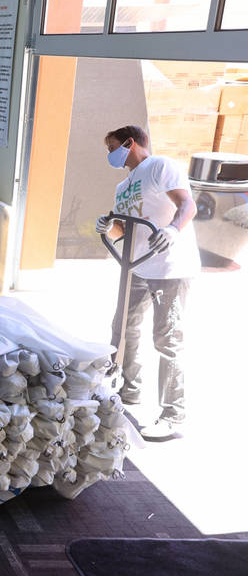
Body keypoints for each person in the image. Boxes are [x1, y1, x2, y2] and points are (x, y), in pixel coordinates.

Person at [95, 125, 200, 441]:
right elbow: (124, 232)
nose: (110, 154)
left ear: (131, 143)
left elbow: (187, 205)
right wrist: (108, 226)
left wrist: (173, 230)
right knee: (123, 328)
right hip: (137, 267)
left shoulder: (159, 166)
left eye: (112, 146)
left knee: (166, 339)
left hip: (169, 268)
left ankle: (173, 415)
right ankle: (129, 390)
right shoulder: (123, 186)